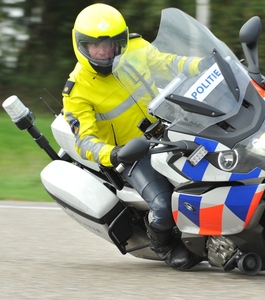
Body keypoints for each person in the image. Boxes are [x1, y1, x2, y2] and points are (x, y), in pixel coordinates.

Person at [62, 3, 205, 270]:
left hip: (172, 129)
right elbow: (85, 141)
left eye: (111, 43)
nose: (105, 52)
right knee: (163, 204)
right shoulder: (77, 90)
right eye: (95, 46)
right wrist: (114, 154)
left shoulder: (137, 49)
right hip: (134, 154)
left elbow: (171, 63)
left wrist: (204, 64)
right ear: (81, 45)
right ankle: (163, 244)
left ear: (122, 40)